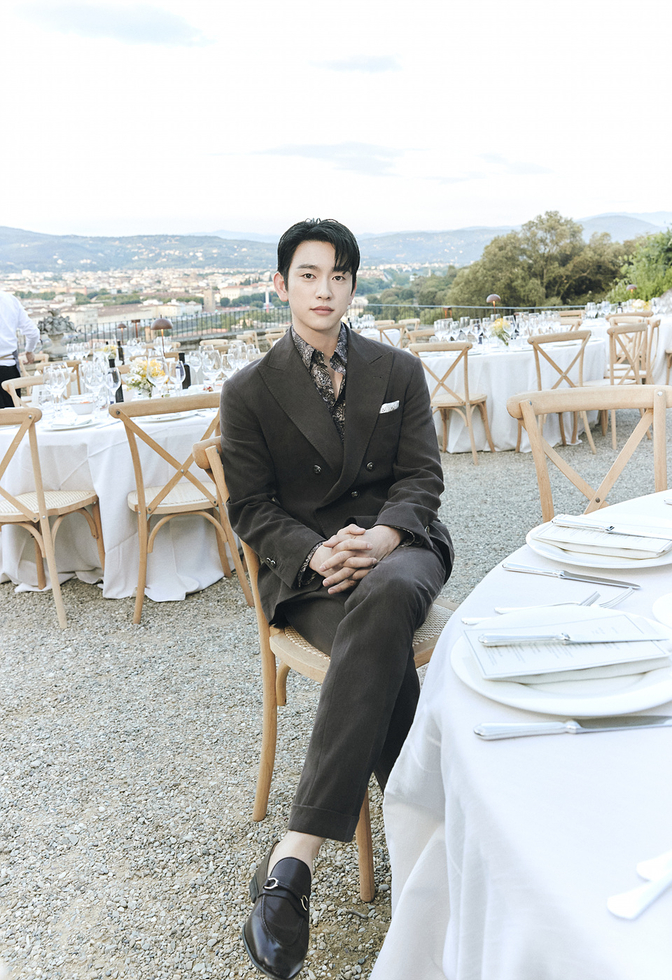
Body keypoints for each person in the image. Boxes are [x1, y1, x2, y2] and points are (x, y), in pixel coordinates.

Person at [219, 219, 453, 980]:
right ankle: (438, 835)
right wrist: (316, 553)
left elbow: (422, 476)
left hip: (401, 547)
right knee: (376, 628)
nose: (326, 290)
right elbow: (251, 507)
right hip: (311, 572)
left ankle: (296, 855)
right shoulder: (247, 392)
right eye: (309, 274)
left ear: (354, 285)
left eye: (340, 276)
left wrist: (382, 538)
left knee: (385, 598)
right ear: (281, 285)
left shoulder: (399, 370)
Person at [0, 291, 41, 408]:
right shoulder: (9, 300)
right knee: (13, 416)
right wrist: (29, 351)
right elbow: (33, 333)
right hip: (8, 371)